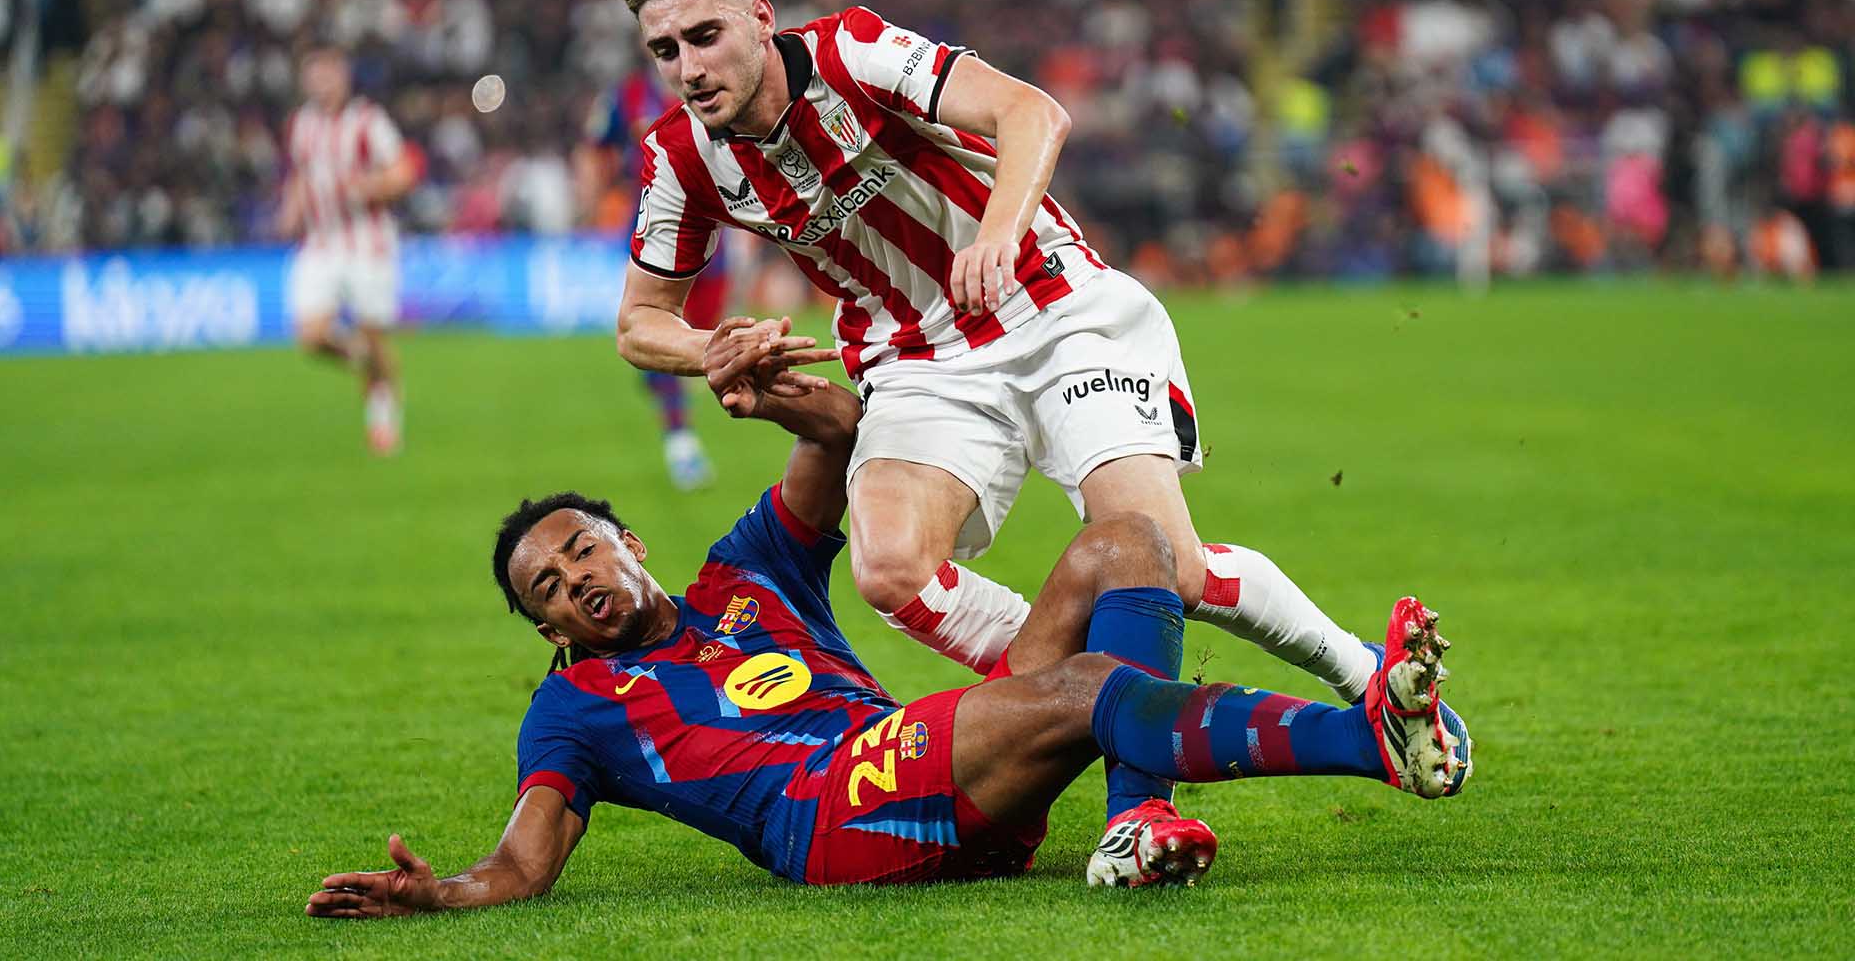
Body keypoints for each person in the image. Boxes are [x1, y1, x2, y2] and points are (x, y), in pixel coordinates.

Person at [607, 0, 1436, 868]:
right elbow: (639, 323)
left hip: (1050, 305)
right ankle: (1106, 735)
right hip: (915, 357)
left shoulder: (850, 51)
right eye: (664, 50)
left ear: (759, 18)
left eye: (705, 35)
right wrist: (711, 349)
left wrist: (999, 233)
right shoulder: (679, 156)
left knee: (1166, 563)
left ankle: (1361, 676)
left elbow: (1032, 113)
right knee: (890, 566)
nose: (688, 68)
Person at [302, 322, 1472, 914]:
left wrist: (770, 395)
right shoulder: (573, 712)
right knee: (1080, 690)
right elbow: (524, 861)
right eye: (550, 592)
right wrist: (443, 891)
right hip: (833, 818)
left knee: (1125, 545)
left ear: (627, 541)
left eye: (579, 550)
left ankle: (1135, 818)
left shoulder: (745, 572)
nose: (576, 582)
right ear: (550, 633)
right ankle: (1371, 737)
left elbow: (840, 438)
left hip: (911, 759)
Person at [577, 63, 735, 490]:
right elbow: (595, 146)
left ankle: (659, 378)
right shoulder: (626, 96)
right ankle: (680, 440)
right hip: (656, 227)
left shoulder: (714, 82)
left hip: (716, 224)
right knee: (661, 325)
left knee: (703, 336)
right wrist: (593, 198)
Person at [275, 44, 419, 455]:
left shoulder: (369, 121)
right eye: (315, 76)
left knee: (374, 334)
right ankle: (362, 357)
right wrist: (290, 210)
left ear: (344, 78)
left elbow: (404, 172)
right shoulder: (300, 125)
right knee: (311, 336)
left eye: (329, 75)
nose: (322, 83)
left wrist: (368, 186)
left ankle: (382, 422)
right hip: (320, 243)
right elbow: (302, 174)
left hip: (367, 244)